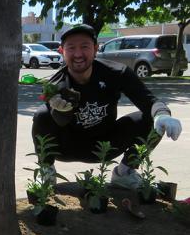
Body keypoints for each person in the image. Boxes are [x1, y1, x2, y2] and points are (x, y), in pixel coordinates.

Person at [32, 23, 182, 195]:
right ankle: (46, 172)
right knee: (41, 115)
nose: (78, 54)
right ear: (61, 51)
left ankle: (124, 174)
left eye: (85, 47)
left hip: (106, 145)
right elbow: (58, 122)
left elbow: (148, 100)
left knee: (152, 118)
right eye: (71, 48)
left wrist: (163, 114)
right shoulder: (55, 85)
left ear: (96, 48)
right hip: (68, 146)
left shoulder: (117, 72)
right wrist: (61, 110)